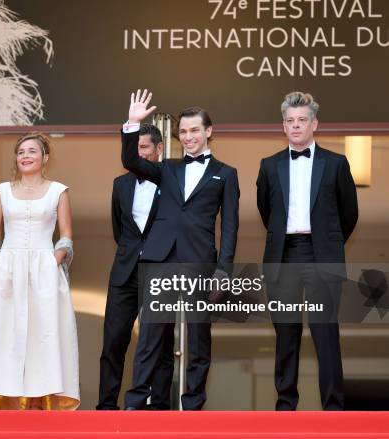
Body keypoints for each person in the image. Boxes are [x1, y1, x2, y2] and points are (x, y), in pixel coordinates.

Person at [121, 90, 239, 410]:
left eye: (194, 130)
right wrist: (133, 124)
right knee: (150, 335)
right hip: (160, 259)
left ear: (208, 131)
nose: (188, 137)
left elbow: (229, 227)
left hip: (199, 262)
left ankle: (193, 404)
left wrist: (223, 270)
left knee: (199, 337)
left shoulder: (226, 174)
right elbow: (131, 160)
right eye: (183, 132)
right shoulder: (168, 168)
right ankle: (135, 402)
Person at [256, 91, 358, 410]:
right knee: (286, 333)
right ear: (283, 127)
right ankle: (286, 404)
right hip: (284, 255)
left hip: (321, 256)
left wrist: (328, 243)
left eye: (302, 120)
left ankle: (333, 407)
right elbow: (265, 210)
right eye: (290, 121)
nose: (296, 126)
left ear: (314, 124)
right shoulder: (269, 166)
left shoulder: (337, 163)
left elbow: (348, 214)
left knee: (324, 333)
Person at [0, 133, 79, 410]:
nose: (26, 156)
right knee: (1, 330)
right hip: (8, 270)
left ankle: (38, 398)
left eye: (32, 151)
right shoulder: (2, 191)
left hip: (45, 270)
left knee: (43, 332)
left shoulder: (59, 191)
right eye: (20, 152)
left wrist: (53, 261)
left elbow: (66, 236)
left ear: (44, 158)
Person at [97, 124, 173, 410]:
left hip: (160, 272)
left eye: (144, 148)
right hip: (124, 272)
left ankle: (160, 407)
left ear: (159, 149)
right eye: (136, 147)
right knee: (114, 342)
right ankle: (106, 406)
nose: (139, 154)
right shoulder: (121, 184)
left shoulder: (171, 180)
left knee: (161, 344)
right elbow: (120, 231)